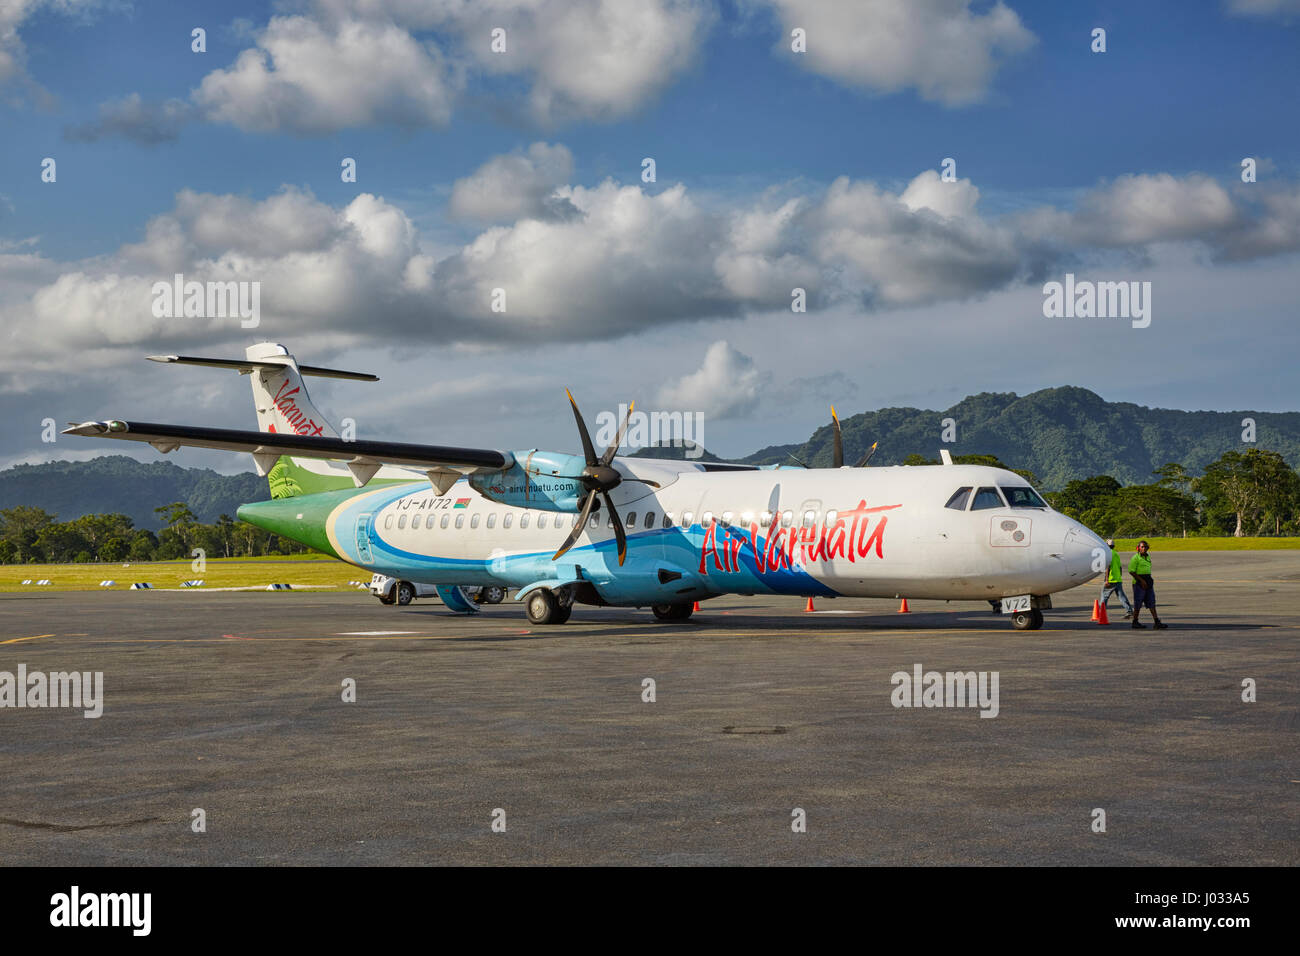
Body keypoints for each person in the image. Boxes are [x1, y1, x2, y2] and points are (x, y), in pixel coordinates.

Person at [1128, 540, 1168, 629]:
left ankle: (1156, 622)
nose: (1144, 548)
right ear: (1138, 548)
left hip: (1148, 581)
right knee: (1138, 603)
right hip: (1139, 583)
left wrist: (1147, 580)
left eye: (1145, 547)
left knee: (1151, 602)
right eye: (1142, 547)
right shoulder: (1135, 558)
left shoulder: (1148, 556)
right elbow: (1131, 571)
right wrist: (1142, 581)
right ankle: (1135, 621)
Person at [1099, 538, 1133, 619]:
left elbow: (1108, 567)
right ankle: (1129, 611)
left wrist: (1107, 580)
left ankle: (1101, 613)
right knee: (1121, 596)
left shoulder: (1108, 554)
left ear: (1107, 545)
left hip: (1111, 579)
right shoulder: (1116, 554)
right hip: (1118, 579)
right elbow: (1120, 567)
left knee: (1104, 597)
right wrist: (1119, 577)